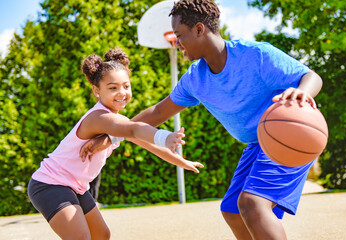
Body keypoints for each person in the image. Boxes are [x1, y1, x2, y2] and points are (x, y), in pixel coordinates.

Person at [79, 1, 323, 239]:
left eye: (179, 35)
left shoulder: (256, 54)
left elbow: (311, 76)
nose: (176, 42)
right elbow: (157, 113)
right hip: (258, 143)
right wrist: (112, 136)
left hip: (290, 134)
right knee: (232, 210)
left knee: (252, 204)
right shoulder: (196, 79)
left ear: (199, 29)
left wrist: (303, 92)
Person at [27, 47, 204, 240]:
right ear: (97, 90)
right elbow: (136, 129)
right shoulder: (99, 117)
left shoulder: (117, 121)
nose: (122, 93)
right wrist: (165, 136)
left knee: (101, 235)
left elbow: (146, 142)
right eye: (113, 88)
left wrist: (181, 161)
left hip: (75, 186)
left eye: (126, 86)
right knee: (81, 237)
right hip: (50, 184)